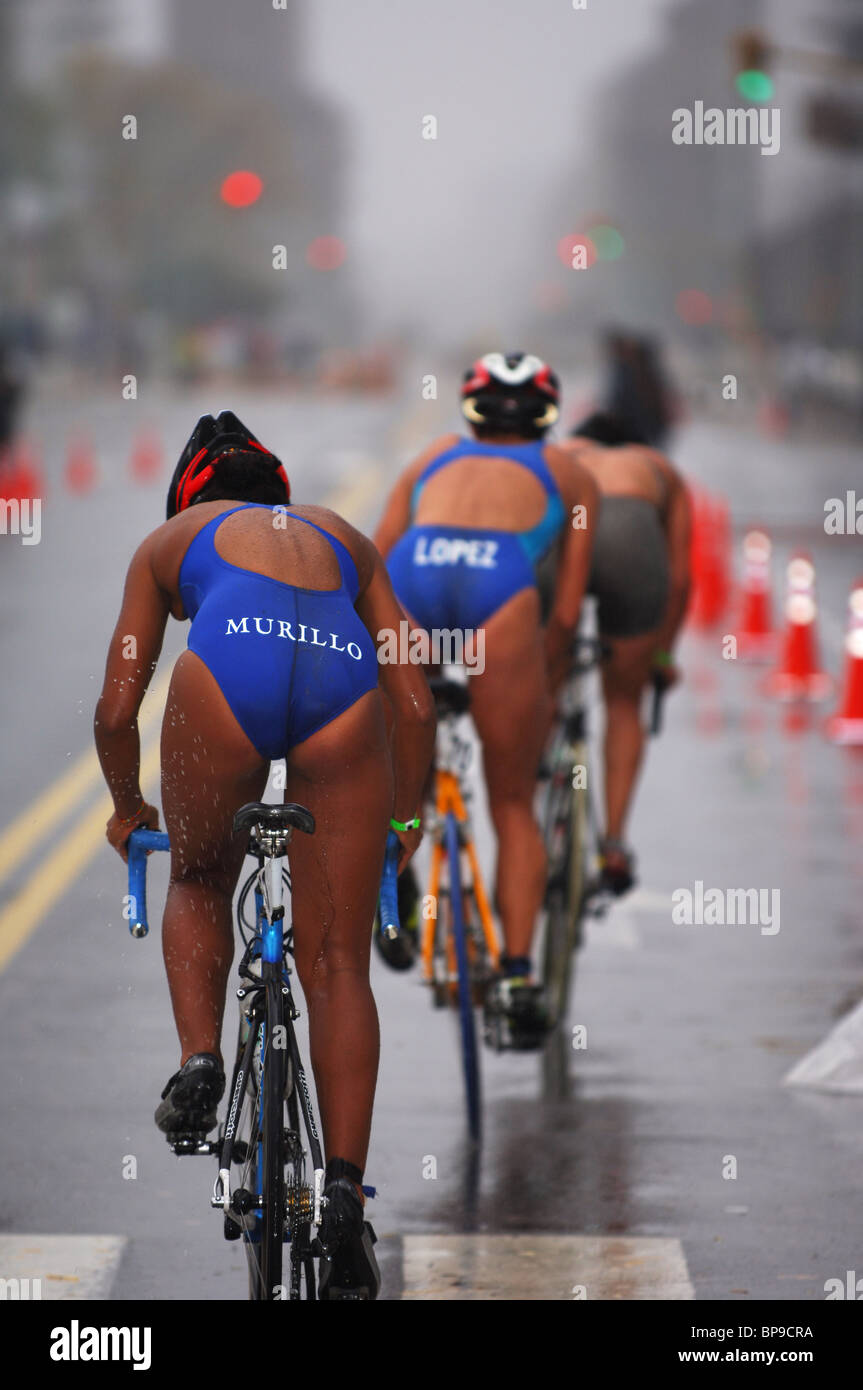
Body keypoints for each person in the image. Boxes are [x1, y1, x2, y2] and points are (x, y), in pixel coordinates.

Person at [94, 411, 435, 1298]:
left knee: (202, 876)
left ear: (192, 494)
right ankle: (347, 1205)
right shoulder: (342, 536)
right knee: (336, 967)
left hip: (224, 682)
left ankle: (200, 1059)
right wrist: (403, 826)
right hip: (342, 692)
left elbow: (113, 708)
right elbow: (416, 698)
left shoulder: (170, 539)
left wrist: (130, 808)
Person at [373, 353, 598, 1043]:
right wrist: (543, 683)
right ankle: (517, 977)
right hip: (498, 588)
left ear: (471, 409)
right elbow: (564, 615)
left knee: (398, 773)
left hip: (415, 574)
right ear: (547, 412)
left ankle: (396, 860)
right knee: (509, 800)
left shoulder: (430, 456)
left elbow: (370, 565)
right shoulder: (570, 474)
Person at [559, 411, 691, 894]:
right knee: (622, 703)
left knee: (542, 678)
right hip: (632, 536)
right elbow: (679, 580)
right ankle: (613, 842)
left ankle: (533, 784)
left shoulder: (565, 455)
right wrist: (660, 658)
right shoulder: (656, 467)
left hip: (570, 523)